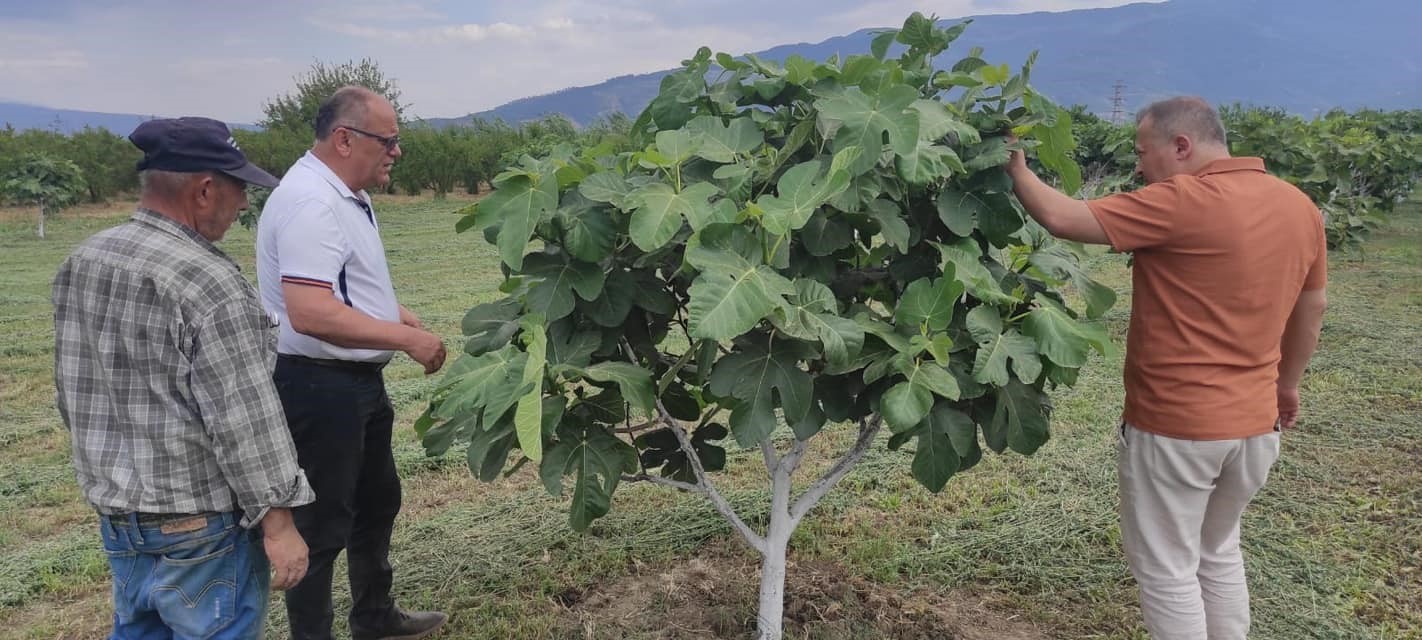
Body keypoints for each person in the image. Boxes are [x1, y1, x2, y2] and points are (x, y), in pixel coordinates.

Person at [1005, 96, 1328, 639]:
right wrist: (1286, 387)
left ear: (1182, 147)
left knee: (1167, 571)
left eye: (1142, 152)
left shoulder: (1181, 199)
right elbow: (1311, 306)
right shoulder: (1298, 205)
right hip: (1255, 427)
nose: (1138, 166)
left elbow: (1062, 216)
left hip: (1178, 427)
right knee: (1218, 551)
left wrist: (1014, 164)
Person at [53, 116, 314, 639]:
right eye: (239, 188)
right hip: (200, 524)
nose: (244, 204)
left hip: (121, 517)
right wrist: (280, 524)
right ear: (204, 190)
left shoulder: (85, 259)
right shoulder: (207, 280)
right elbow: (245, 421)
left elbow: (71, 394)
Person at [255, 86, 448, 640]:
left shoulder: (341, 193)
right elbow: (312, 312)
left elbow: (339, 286)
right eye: (388, 140)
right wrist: (404, 339)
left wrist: (395, 315)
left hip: (353, 383)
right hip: (319, 387)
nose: (397, 151)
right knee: (321, 526)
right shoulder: (311, 203)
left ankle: (374, 617)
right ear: (345, 139)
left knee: (376, 501)